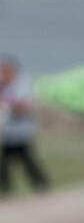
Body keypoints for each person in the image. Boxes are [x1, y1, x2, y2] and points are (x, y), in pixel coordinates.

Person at [0, 56, 50, 194]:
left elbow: (26, 108)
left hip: (22, 131)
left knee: (26, 159)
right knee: (5, 162)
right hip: (8, 132)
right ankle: (6, 187)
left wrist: (9, 106)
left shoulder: (23, 84)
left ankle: (41, 183)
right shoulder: (4, 86)